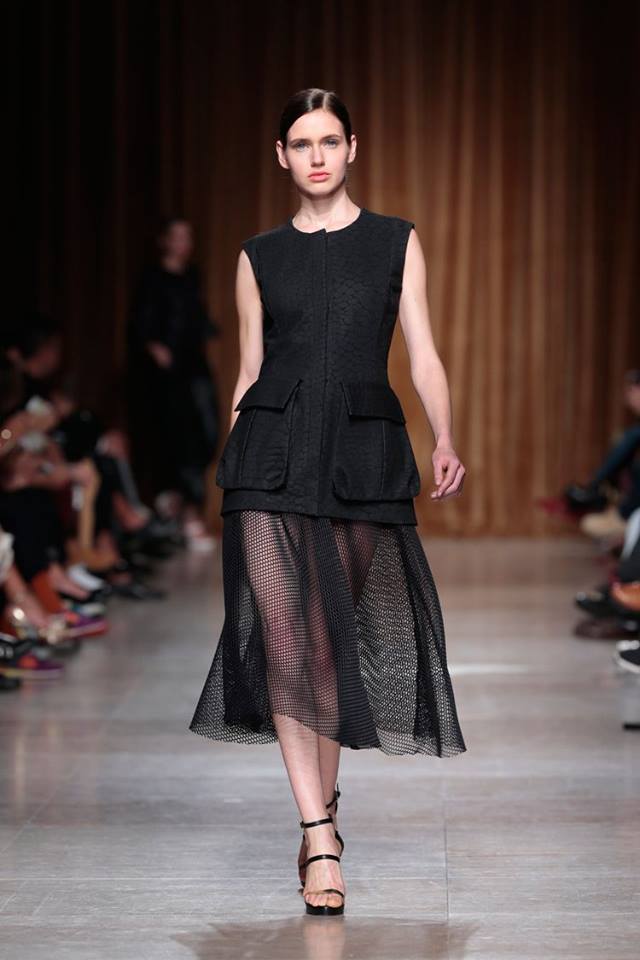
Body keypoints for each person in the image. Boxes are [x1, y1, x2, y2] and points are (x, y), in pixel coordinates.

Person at [188, 88, 467, 917]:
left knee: (326, 642)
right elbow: (248, 370)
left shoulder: (395, 241)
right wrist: (233, 461)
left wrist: (445, 436)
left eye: (330, 140)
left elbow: (423, 349)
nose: (317, 156)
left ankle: (325, 814)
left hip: (359, 452)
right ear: (282, 156)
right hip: (269, 455)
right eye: (302, 143)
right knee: (284, 640)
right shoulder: (258, 256)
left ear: (353, 149)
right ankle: (318, 835)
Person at [127, 217, 221, 550]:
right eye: (177, 237)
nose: (184, 244)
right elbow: (141, 325)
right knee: (178, 443)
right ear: (164, 241)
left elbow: (195, 316)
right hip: (166, 377)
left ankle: (182, 510)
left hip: (193, 367)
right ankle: (183, 516)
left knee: (207, 435)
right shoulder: (152, 279)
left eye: (188, 237)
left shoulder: (192, 276)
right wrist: (156, 348)